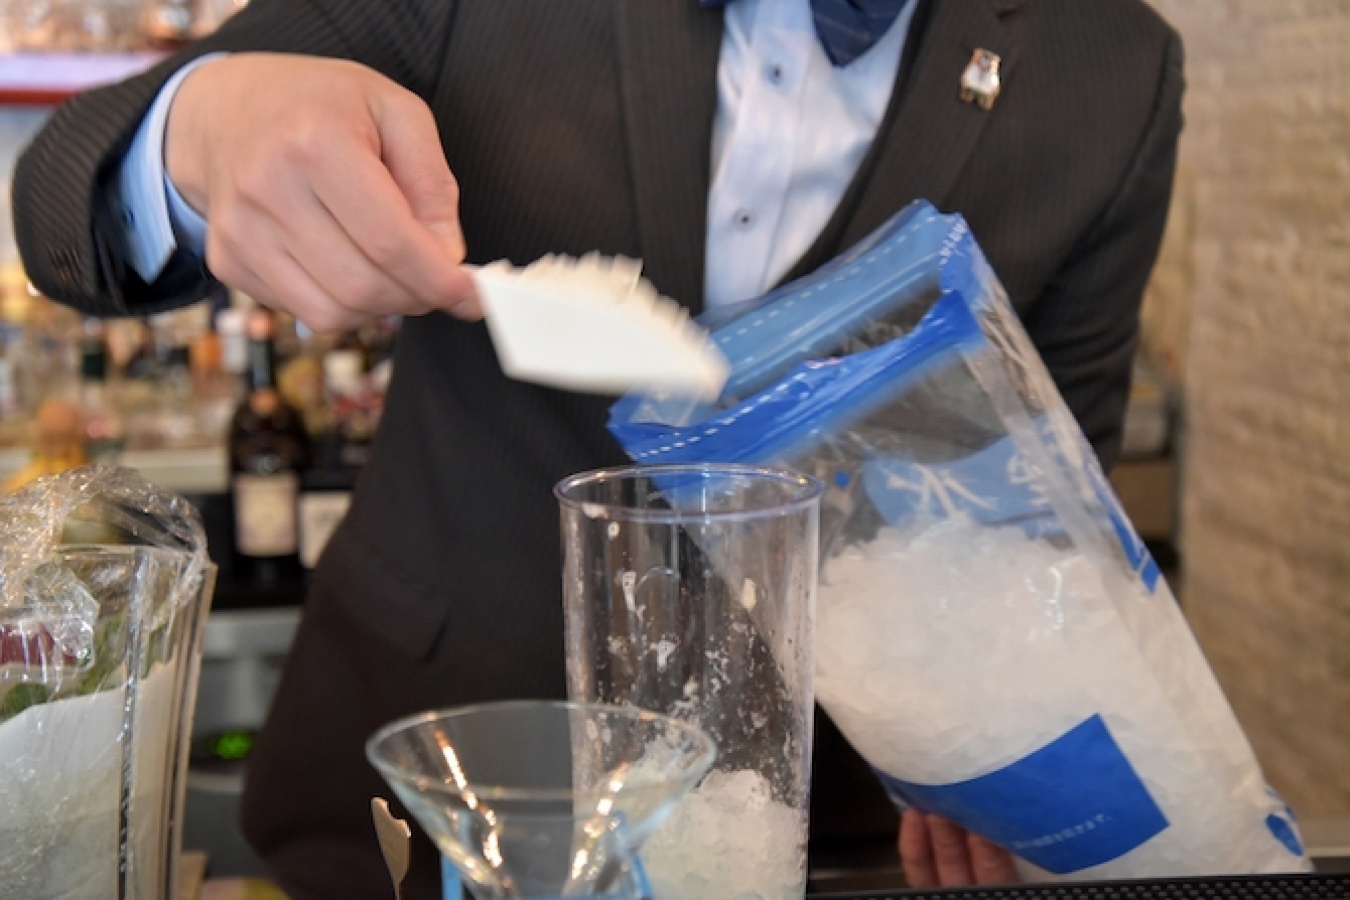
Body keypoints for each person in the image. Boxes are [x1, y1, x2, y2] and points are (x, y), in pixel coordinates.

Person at [13, 0, 1184, 896]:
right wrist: (209, 125)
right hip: (414, 800)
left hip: (816, 839)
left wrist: (1023, 774)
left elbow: (1042, 522)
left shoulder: (1114, 68)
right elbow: (63, 186)